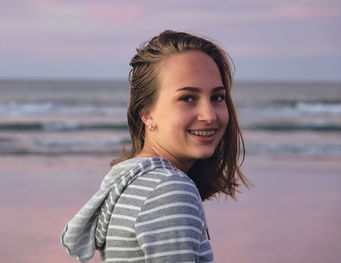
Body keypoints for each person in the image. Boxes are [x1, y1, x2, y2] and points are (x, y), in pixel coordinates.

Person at [61, 30, 250, 263]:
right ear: (147, 113)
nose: (209, 115)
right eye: (188, 98)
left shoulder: (132, 181)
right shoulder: (169, 190)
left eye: (217, 97)